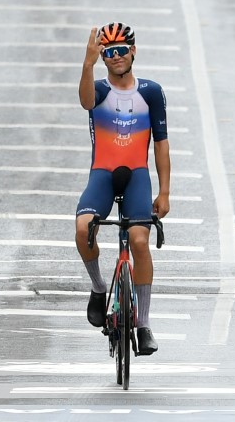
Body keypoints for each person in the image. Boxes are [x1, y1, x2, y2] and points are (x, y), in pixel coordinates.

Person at [74, 23, 170, 358]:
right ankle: (99, 289)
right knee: (83, 228)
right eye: (108, 53)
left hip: (138, 177)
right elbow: (86, 101)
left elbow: (161, 146)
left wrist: (165, 192)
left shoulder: (151, 92)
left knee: (141, 242)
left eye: (121, 51)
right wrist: (87, 64)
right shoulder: (99, 89)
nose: (115, 58)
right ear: (103, 58)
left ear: (133, 51)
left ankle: (143, 324)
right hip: (102, 173)